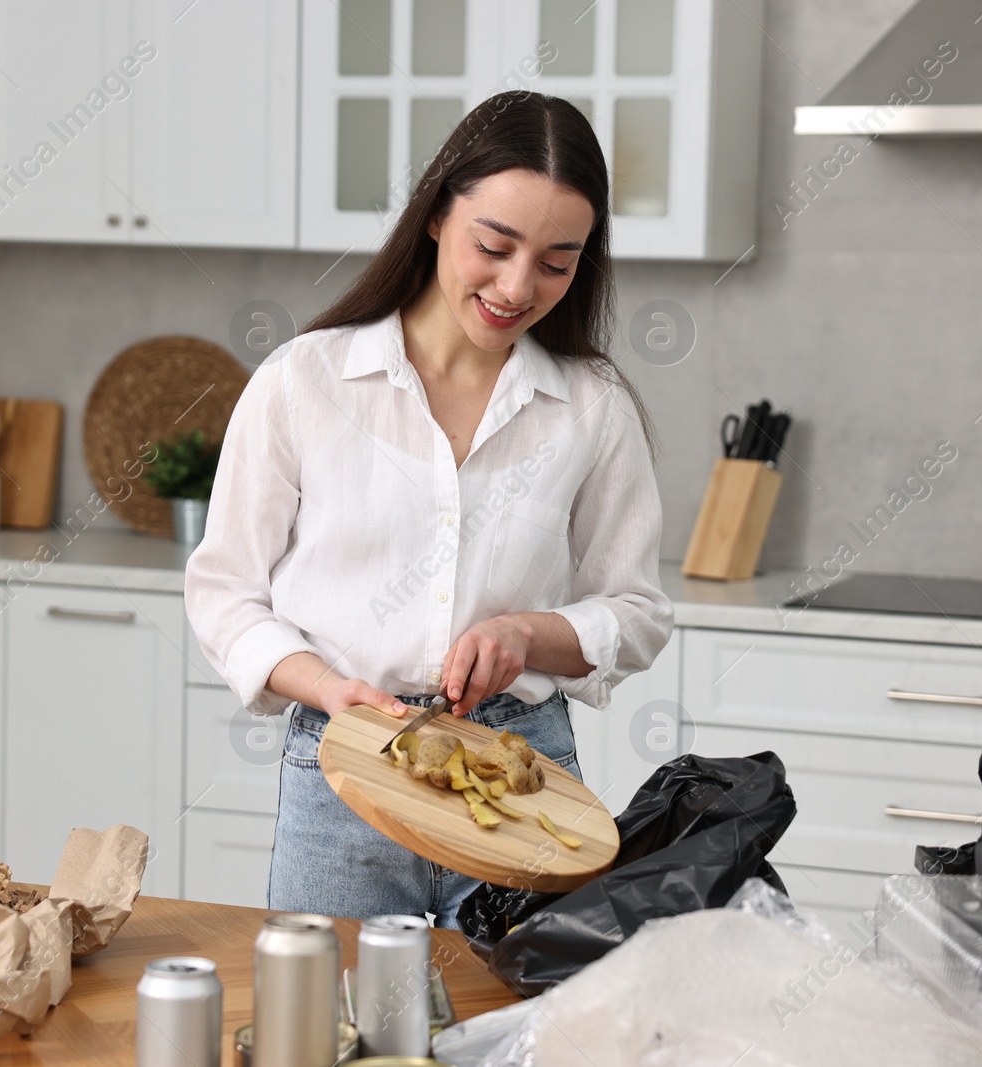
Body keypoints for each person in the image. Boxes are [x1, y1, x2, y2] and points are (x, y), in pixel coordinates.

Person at [183, 90, 673, 927]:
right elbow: (225, 591)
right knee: (330, 1043)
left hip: (523, 777)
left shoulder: (592, 407)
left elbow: (636, 612)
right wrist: (332, 689)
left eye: (557, 262)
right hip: (347, 771)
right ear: (439, 214)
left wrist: (526, 635)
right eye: (496, 245)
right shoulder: (306, 382)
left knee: (515, 1048)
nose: (518, 286)